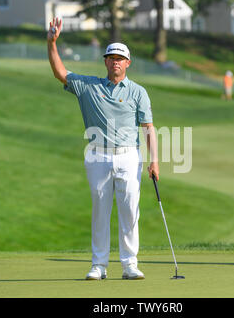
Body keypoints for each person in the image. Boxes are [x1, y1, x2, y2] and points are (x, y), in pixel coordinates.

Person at [47, 18, 159, 280]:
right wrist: (51, 43)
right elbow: (59, 72)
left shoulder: (138, 92)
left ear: (128, 63)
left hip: (129, 156)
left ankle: (130, 264)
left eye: (120, 58)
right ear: (105, 61)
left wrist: (155, 161)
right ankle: (99, 265)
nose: (116, 61)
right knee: (100, 210)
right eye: (111, 57)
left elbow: (149, 128)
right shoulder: (88, 86)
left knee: (130, 209)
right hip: (98, 155)